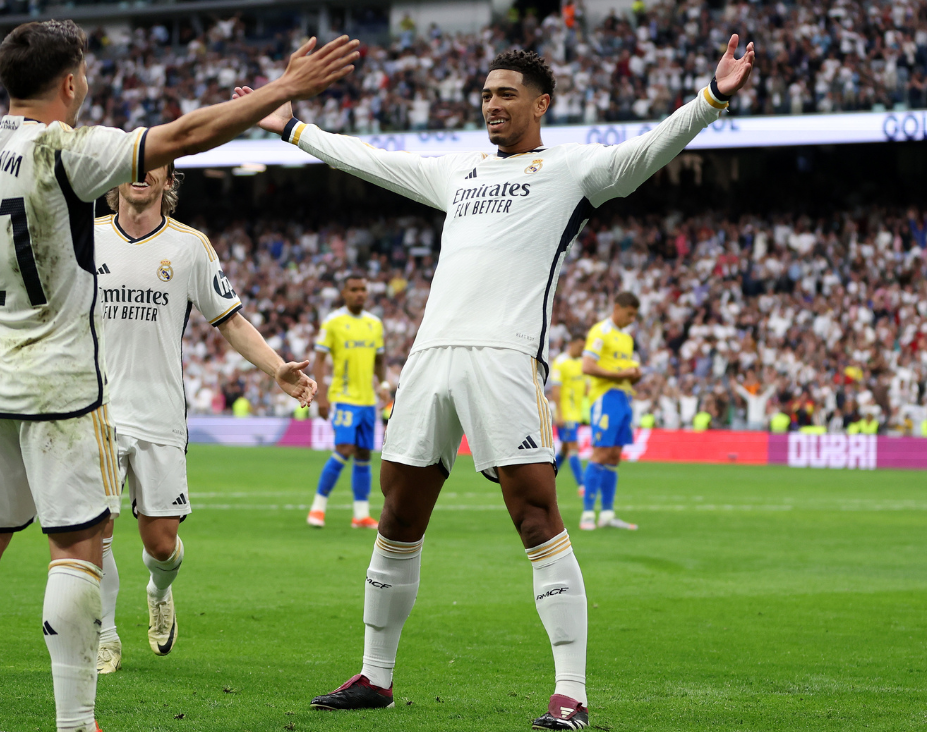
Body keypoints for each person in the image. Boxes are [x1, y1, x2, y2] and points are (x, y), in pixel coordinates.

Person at [0, 19, 360, 732]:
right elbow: (187, 135)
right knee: (76, 550)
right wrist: (284, 89)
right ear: (69, 82)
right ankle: (76, 722)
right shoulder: (70, 150)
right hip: (65, 386)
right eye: (87, 75)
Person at [235, 35, 755, 729]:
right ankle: (376, 675)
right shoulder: (461, 171)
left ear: (541, 103)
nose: (492, 105)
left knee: (535, 515)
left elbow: (645, 153)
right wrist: (296, 129)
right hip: (430, 358)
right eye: (485, 95)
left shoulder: (572, 169)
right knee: (397, 516)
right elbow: (376, 162)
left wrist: (711, 99)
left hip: (505, 358)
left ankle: (570, 693)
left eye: (506, 94)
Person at [92, 162, 317, 674]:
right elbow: (28, 300)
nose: (142, 173)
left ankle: (159, 589)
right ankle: (104, 634)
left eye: (155, 167)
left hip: (161, 414)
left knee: (162, 545)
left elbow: (230, 322)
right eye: (132, 164)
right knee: (95, 531)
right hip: (97, 412)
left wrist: (277, 368)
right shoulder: (86, 238)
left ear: (169, 182)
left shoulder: (191, 246)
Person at [306, 274, 389, 530]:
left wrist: (383, 385)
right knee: (344, 449)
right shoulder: (333, 322)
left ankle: (361, 515)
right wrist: (321, 394)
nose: (359, 294)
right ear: (344, 293)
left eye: (363, 289)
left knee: (364, 454)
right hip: (343, 399)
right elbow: (319, 359)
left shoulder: (375, 324)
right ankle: (317, 509)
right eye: (354, 289)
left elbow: (380, 359)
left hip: (368, 401)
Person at [580, 292, 642, 532]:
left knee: (615, 455)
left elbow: (624, 370)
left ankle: (607, 513)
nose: (632, 319)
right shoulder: (600, 331)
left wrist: (635, 375)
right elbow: (588, 366)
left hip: (624, 397)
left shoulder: (626, 338)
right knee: (601, 453)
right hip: (605, 398)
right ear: (617, 308)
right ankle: (587, 513)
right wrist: (621, 374)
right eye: (630, 314)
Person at [549, 331, 587, 493]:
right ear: (571, 344)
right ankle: (583, 485)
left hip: (576, 413)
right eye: (580, 347)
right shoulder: (560, 362)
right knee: (573, 447)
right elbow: (556, 389)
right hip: (566, 413)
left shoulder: (580, 362)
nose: (582, 351)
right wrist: (560, 413)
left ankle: (547, 478)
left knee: (565, 450)